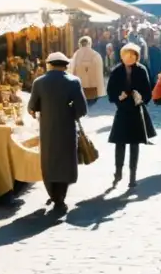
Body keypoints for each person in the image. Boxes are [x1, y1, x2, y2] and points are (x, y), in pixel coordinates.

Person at [28, 52, 89, 214]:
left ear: (49, 64)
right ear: (65, 65)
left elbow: (32, 107)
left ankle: (53, 194)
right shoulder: (74, 82)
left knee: (48, 160)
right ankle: (60, 198)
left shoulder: (39, 83)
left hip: (47, 128)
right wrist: (69, 111)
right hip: (67, 127)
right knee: (65, 160)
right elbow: (82, 109)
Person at [107, 43, 155, 188]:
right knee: (119, 143)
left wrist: (141, 97)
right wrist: (118, 97)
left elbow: (147, 90)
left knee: (135, 144)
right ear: (122, 56)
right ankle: (118, 171)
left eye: (133, 55)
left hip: (135, 111)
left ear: (137, 56)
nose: (130, 57)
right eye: (127, 54)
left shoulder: (141, 70)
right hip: (122, 111)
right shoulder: (116, 71)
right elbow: (110, 91)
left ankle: (133, 175)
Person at [69, 36, 104, 106]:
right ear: (90, 43)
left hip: (80, 88)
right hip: (93, 89)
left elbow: (72, 71)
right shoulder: (96, 55)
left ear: (80, 44)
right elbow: (99, 75)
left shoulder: (76, 55)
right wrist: (100, 92)